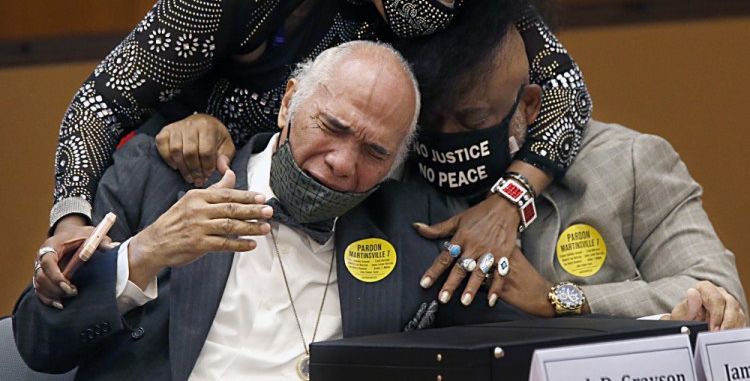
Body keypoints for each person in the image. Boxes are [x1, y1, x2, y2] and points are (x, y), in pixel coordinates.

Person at [36, 0, 592, 309]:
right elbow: (103, 101)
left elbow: (568, 94)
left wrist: (506, 202)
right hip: (207, 209)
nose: (446, 7)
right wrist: (70, 219)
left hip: (361, 230)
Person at [14, 41, 526, 380]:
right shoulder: (157, 177)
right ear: (288, 103)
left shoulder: (415, 223)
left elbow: (518, 344)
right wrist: (145, 253)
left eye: (375, 153)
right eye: (332, 127)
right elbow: (40, 341)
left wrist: (565, 298)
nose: (342, 164)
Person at [406, 25, 747, 328]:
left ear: (529, 104)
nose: (451, 138)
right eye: (435, 122)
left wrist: (558, 299)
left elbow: (720, 297)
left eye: (472, 120)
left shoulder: (627, 163)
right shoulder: (406, 176)